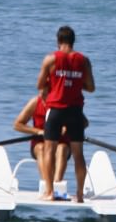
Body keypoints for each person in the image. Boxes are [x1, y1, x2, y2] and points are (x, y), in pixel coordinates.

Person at [36, 26, 95, 203]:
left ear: (58, 41)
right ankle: (80, 195)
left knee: (49, 150)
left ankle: (50, 192)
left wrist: (56, 81)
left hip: (56, 110)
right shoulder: (84, 60)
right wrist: (75, 83)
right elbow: (91, 87)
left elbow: (40, 85)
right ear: (73, 41)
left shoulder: (50, 59)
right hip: (76, 111)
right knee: (78, 154)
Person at [13, 85, 92, 191]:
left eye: (45, 93)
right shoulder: (36, 102)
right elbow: (17, 124)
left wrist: (69, 127)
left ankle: (57, 184)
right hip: (40, 143)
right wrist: (39, 131)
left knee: (62, 148)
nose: (42, 94)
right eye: (41, 92)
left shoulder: (65, 103)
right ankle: (46, 185)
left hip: (61, 143)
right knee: (41, 148)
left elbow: (85, 123)